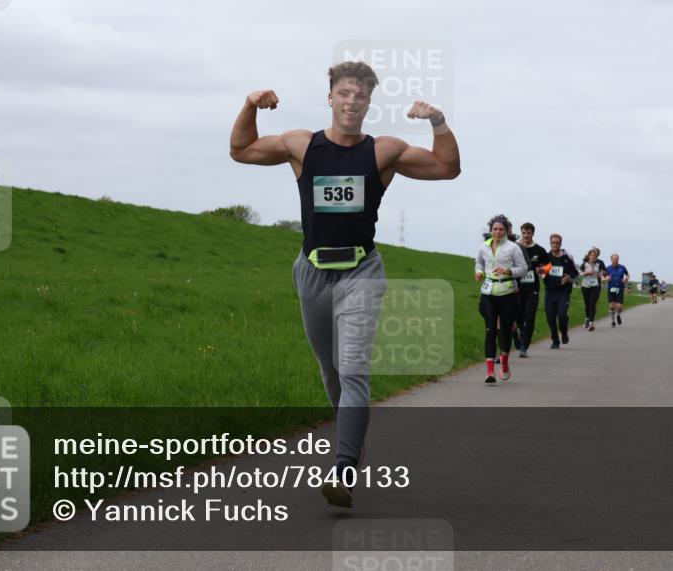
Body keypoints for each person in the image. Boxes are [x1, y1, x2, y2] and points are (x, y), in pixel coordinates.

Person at [228, 61, 460, 508]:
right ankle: (351, 442)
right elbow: (241, 150)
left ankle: (343, 468)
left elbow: (447, 168)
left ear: (369, 104)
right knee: (330, 369)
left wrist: (437, 120)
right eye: (345, 94)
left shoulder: (382, 152)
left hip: (361, 271)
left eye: (361, 96)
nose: (352, 102)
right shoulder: (301, 145)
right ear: (330, 97)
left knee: (353, 367)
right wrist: (249, 105)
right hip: (311, 270)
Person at [475, 215, 529, 384]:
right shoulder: (484, 247)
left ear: (506, 231)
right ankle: (490, 371)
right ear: (491, 230)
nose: (497, 232)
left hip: (508, 293)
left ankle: (504, 360)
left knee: (505, 331)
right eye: (495, 229)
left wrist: (507, 271)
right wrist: (478, 272)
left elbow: (524, 269)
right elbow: (478, 263)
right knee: (490, 329)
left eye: (501, 229)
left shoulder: (514, 248)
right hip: (488, 293)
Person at [513, 222, 549, 357]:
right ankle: (519, 332)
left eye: (528, 233)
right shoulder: (515, 248)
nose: (526, 235)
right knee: (518, 317)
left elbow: (548, 266)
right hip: (516, 288)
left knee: (530, 316)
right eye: (524, 233)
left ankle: (524, 347)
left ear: (533, 234)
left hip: (532, 289)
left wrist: (542, 270)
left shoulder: (539, 250)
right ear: (521, 233)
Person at [542, 233, 579, 349]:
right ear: (550, 243)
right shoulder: (546, 257)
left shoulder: (567, 258)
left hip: (563, 292)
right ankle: (555, 340)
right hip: (550, 291)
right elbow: (542, 270)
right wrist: (541, 272)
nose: (555, 244)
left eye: (557, 242)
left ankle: (564, 332)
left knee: (562, 314)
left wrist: (569, 278)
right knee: (550, 317)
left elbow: (575, 273)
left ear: (560, 244)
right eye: (553, 242)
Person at [602, 254, 629, 327]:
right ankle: (613, 321)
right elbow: (602, 278)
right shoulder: (607, 268)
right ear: (611, 260)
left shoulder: (622, 267)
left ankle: (618, 315)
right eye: (614, 259)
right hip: (611, 288)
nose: (616, 260)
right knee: (611, 306)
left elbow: (627, 274)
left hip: (620, 288)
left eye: (617, 259)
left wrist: (626, 279)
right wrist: (606, 279)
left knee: (619, 307)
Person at [579, 249, 603, 332]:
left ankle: (591, 323)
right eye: (591, 255)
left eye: (594, 256)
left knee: (592, 303)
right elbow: (579, 273)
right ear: (589, 256)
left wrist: (600, 275)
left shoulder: (598, 265)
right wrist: (586, 273)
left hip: (595, 286)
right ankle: (587, 318)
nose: (593, 257)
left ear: (596, 257)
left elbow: (601, 273)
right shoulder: (584, 264)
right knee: (587, 304)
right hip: (585, 286)